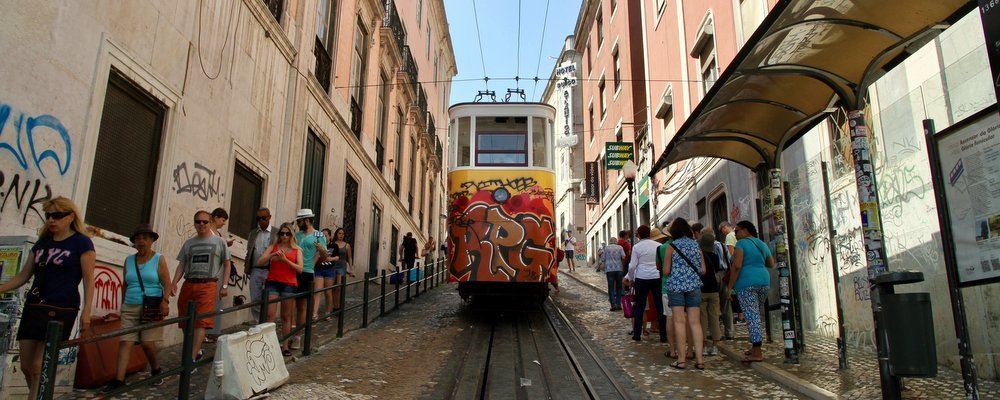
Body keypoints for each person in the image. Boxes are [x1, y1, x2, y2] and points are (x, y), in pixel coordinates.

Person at [0, 197, 95, 400]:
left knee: (38, 366)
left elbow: (88, 280)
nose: (52, 220)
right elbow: (22, 276)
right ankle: (42, 395)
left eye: (58, 215)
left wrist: (87, 312)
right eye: (49, 215)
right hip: (34, 306)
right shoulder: (42, 243)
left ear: (70, 217)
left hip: (61, 308)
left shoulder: (81, 243)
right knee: (26, 365)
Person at [107, 224, 171, 390]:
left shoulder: (158, 259)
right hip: (130, 305)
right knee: (126, 341)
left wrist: (165, 301)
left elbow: (167, 283)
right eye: (138, 239)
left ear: (151, 241)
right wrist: (122, 305)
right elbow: (125, 284)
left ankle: (156, 369)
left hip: (152, 305)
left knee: (147, 343)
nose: (141, 241)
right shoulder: (129, 260)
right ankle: (119, 379)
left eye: (145, 238)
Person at [171, 210, 231, 365]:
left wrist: (224, 285)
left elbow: (227, 263)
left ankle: (190, 359)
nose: (201, 225)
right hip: (189, 283)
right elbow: (182, 264)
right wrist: (174, 282)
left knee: (201, 322)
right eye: (198, 222)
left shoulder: (219, 242)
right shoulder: (189, 243)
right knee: (185, 320)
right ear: (194, 223)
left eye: (205, 221)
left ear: (210, 222)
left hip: (208, 284)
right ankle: (195, 351)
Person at [723, 220, 774, 363]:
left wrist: (730, 287)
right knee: (754, 314)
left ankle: (757, 352)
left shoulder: (741, 244)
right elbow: (770, 263)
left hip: (746, 283)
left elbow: (737, 266)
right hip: (763, 281)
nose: (735, 234)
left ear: (746, 231)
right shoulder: (761, 244)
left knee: (751, 316)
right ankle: (754, 346)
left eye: (737, 231)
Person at [661, 217, 706, 370]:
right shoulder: (696, 245)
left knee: (679, 322)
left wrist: (673, 272)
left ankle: (681, 360)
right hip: (694, 286)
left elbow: (666, 271)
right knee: (695, 322)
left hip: (676, 288)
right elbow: (703, 270)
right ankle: (699, 360)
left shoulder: (671, 246)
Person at [256, 222, 303, 356]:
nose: (284, 236)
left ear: (291, 235)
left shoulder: (297, 249)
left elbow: (300, 269)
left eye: (287, 234)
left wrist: (285, 260)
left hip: (288, 284)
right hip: (273, 282)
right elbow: (259, 262)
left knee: (286, 316)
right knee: (270, 314)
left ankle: (285, 345)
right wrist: (272, 255)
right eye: (282, 233)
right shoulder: (273, 247)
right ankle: (269, 344)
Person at [622, 225, 667, 343]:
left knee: (639, 306)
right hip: (657, 277)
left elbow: (632, 266)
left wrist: (631, 279)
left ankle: (637, 334)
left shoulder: (637, 247)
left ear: (640, 235)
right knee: (659, 306)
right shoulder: (659, 245)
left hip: (642, 278)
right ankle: (663, 335)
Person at [293, 209, 327, 342]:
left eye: (299, 221)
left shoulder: (319, 235)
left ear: (307, 220)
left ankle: (298, 336)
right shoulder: (296, 235)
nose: (298, 223)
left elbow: (324, 257)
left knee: (302, 306)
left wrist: (321, 250)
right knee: (291, 304)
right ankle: (289, 333)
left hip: (307, 272)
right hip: (293, 271)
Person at [205, 208, 233, 343]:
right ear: (216, 217)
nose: (223, 223)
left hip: (220, 272)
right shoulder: (208, 232)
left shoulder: (219, 234)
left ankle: (213, 331)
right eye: (222, 220)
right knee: (207, 303)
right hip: (211, 271)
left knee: (217, 302)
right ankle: (206, 331)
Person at [245, 208, 276, 323]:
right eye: (258, 218)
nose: (261, 220)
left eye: (264, 218)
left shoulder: (276, 232)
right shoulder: (253, 233)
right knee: (255, 299)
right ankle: (258, 323)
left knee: (269, 299)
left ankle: (267, 324)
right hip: (256, 270)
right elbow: (249, 252)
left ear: (269, 217)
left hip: (271, 270)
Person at [698, 230, 722, 357]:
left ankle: (704, 345)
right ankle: (715, 346)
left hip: (702, 289)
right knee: (714, 317)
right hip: (714, 289)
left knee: (702, 318)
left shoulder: (699, 254)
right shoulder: (715, 256)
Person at [324, 228, 354, 317]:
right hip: (333, 266)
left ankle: (339, 307)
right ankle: (335, 307)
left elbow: (349, 258)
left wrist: (351, 269)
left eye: (342, 234)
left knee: (338, 287)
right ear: (336, 234)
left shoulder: (347, 245)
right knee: (333, 288)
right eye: (339, 233)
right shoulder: (332, 244)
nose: (341, 235)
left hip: (341, 267)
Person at [717, 221, 735, 340]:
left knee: (716, 304)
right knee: (726, 304)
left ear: (725, 227)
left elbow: (731, 254)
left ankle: (717, 332)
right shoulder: (734, 235)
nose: (722, 232)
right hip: (725, 273)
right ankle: (730, 332)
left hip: (719, 274)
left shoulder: (729, 236)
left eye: (722, 229)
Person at [599, 239, 625, 311]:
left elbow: (603, 259)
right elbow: (623, 257)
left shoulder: (606, 248)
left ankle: (613, 305)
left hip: (609, 270)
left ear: (610, 242)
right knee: (619, 287)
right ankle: (618, 304)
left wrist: (601, 260)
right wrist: (622, 265)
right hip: (619, 269)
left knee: (611, 288)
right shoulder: (620, 247)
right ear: (616, 242)